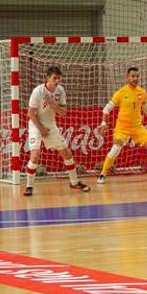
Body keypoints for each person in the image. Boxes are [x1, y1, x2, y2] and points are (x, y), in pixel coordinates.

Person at [24, 66, 90, 196]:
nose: (57, 81)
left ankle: (74, 182)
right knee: (35, 155)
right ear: (48, 78)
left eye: (59, 78)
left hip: (51, 124)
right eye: (54, 78)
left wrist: (53, 103)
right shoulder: (38, 91)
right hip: (36, 124)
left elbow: (63, 113)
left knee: (67, 154)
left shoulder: (60, 90)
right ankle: (29, 186)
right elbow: (30, 113)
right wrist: (41, 129)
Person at [96, 67, 147, 184]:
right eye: (132, 76)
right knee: (115, 148)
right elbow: (106, 109)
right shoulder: (120, 93)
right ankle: (102, 175)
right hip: (122, 127)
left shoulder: (142, 92)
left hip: (137, 127)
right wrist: (103, 123)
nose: (135, 78)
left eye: (137, 76)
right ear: (127, 77)